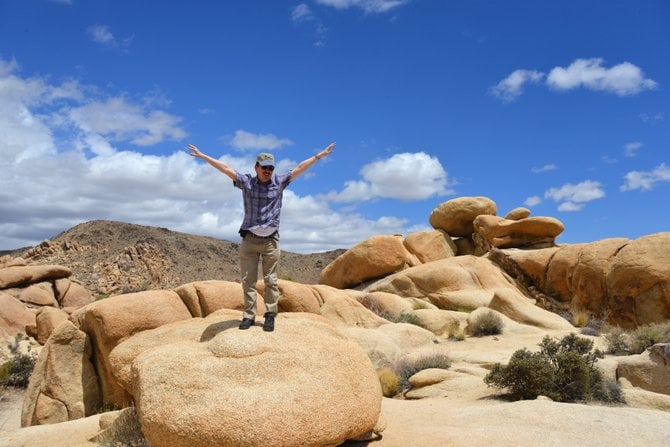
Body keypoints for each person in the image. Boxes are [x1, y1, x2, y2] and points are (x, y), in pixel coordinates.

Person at [187, 141, 335, 331]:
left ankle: (270, 315)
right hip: (250, 239)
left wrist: (318, 156)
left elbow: (299, 168)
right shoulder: (247, 182)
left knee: (271, 280)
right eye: (264, 167)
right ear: (256, 167)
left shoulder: (279, 182)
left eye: (271, 168)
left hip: (271, 241)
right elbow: (226, 168)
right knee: (248, 280)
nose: (268, 171)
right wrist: (204, 156)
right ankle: (249, 315)